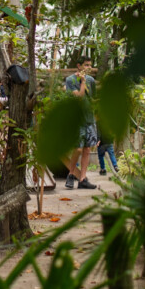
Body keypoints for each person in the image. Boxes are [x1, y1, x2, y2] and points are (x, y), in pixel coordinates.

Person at [62, 58, 98, 190]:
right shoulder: (70, 80)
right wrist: (82, 82)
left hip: (89, 118)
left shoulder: (91, 80)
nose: (89, 68)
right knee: (78, 148)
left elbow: (92, 98)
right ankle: (71, 174)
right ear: (79, 66)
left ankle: (82, 179)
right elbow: (79, 97)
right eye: (86, 65)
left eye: (90, 65)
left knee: (87, 149)